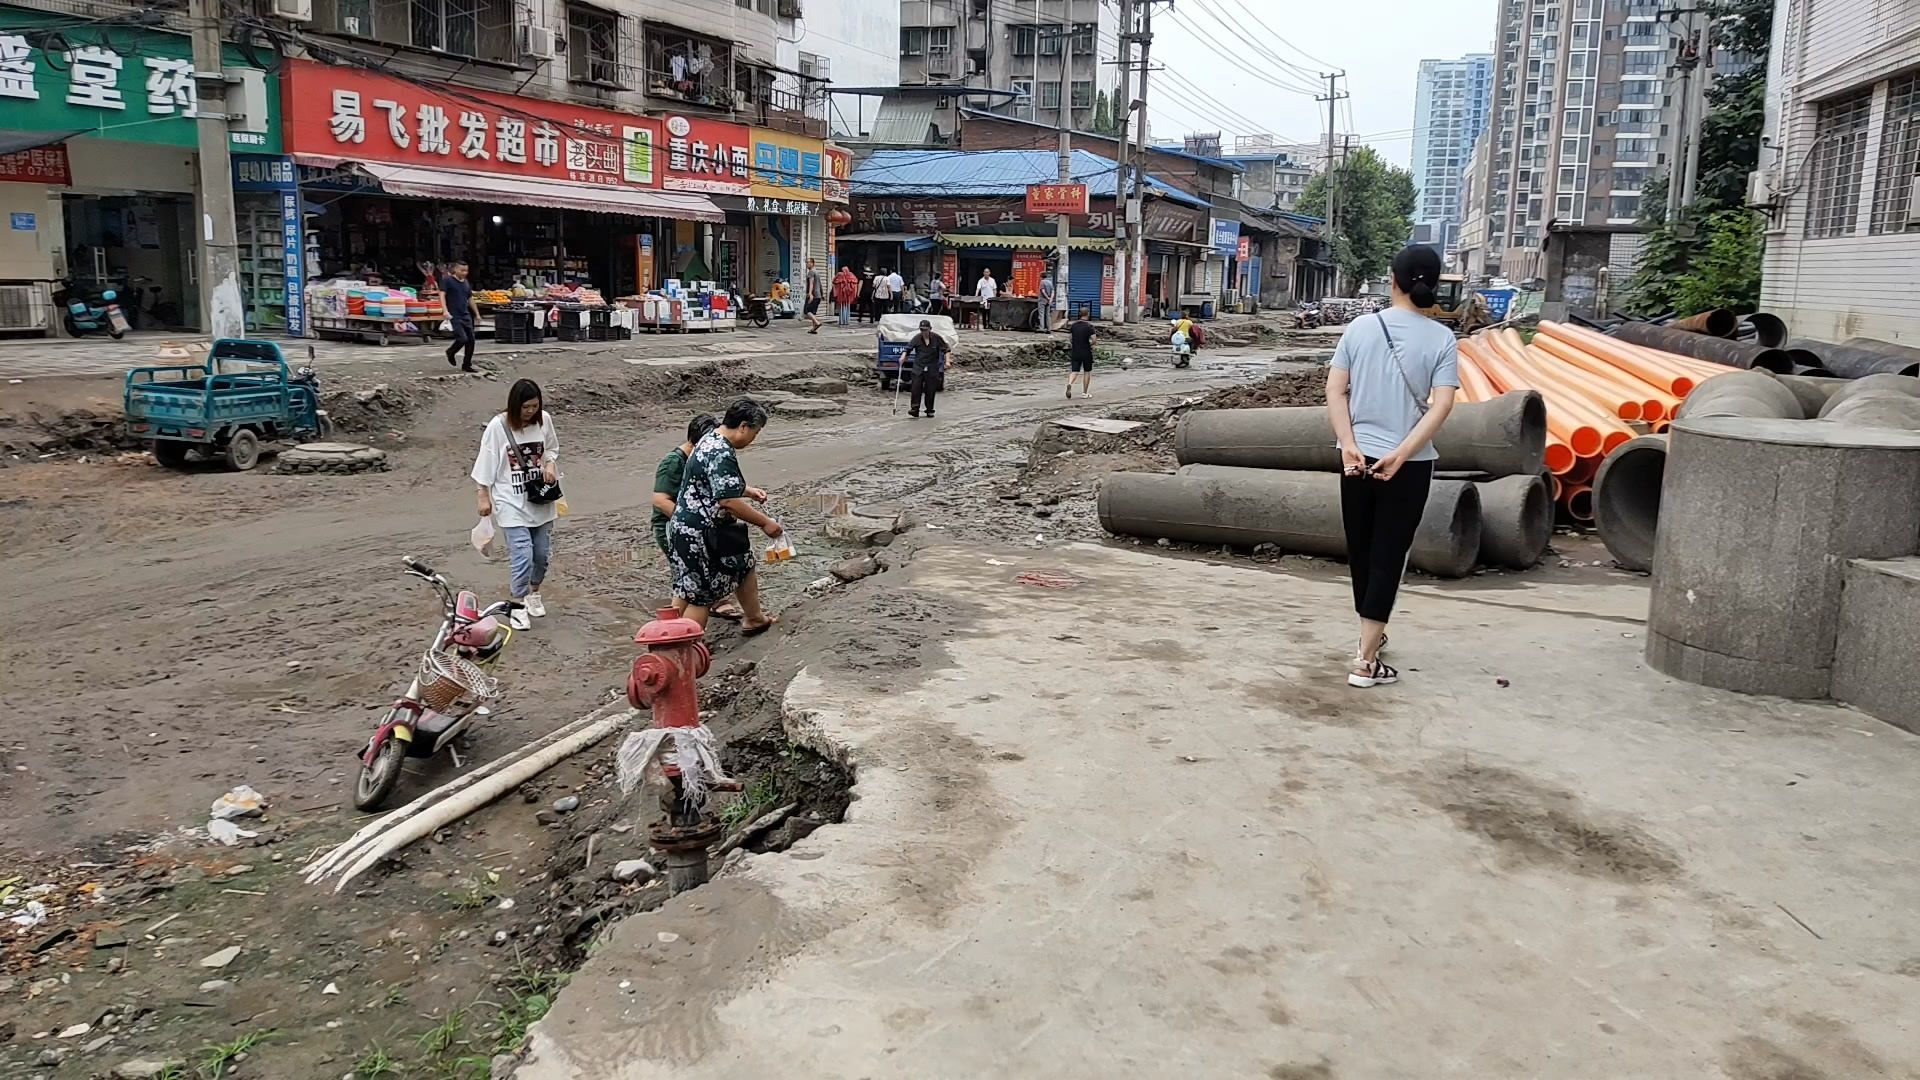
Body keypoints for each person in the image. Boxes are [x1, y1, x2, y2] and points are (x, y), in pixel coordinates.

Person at [1328, 244, 1460, 689]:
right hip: (1409, 464)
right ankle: (1365, 660)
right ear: (1433, 284)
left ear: (1392, 278)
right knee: (1389, 555)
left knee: (1362, 552)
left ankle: (1371, 638)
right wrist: (1403, 453)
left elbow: (1335, 392)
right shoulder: (1442, 339)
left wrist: (1348, 445)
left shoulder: (1360, 329)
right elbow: (1441, 406)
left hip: (1356, 461)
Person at [665, 399, 782, 633]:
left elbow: (715, 482)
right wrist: (765, 523)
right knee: (702, 595)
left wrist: (747, 490)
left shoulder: (709, 438)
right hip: (702, 533)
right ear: (743, 427)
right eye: (755, 433)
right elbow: (727, 501)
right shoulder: (721, 451)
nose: (753, 439)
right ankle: (682, 648)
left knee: (696, 582)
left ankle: (666, 631)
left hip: (682, 528)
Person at [472, 379, 560, 631]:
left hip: (540, 499)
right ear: (514, 406)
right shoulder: (498, 427)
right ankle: (517, 604)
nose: (531, 412)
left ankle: (534, 593)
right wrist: (483, 495)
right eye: (525, 407)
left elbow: (552, 449)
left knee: (541, 555)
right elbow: (485, 463)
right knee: (522, 554)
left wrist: (550, 464)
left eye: (534, 406)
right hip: (510, 500)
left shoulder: (544, 420)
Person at [651, 414, 743, 621]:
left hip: (693, 523)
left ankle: (700, 608)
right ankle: (684, 620)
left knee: (698, 570)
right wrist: (690, 522)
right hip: (671, 525)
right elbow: (659, 500)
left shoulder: (701, 456)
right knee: (689, 574)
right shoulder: (673, 463)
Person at [442, 260, 480, 372]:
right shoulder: (448, 281)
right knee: (462, 338)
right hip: (454, 315)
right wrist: (445, 311)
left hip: (465, 315)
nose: (464, 273)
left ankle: (467, 364)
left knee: (471, 340)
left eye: (466, 270)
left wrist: (477, 314)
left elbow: (470, 298)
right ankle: (451, 352)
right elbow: (442, 295)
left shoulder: (466, 283)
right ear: (455, 270)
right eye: (462, 270)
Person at [906, 318, 948, 419]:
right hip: (919, 366)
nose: (923, 332)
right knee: (916, 387)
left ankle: (929, 410)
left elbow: (946, 349)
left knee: (930, 389)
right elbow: (908, 349)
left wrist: (948, 361)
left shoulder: (936, 338)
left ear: (930, 329)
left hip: (932, 366)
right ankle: (914, 409)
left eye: (925, 330)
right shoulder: (917, 338)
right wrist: (903, 356)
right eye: (921, 330)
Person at [1067, 306, 1096, 399]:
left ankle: (1070, 384)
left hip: (1075, 351)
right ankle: (1084, 393)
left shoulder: (1074, 325)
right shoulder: (1089, 326)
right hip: (1086, 351)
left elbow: (1070, 338)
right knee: (1087, 371)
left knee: (1074, 370)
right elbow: (1094, 340)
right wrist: (1090, 345)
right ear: (1088, 314)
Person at [803, 258, 823, 334]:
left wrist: (810, 293)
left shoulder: (811, 272)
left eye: (808, 262)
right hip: (818, 296)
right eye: (806, 262)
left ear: (812, 263)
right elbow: (820, 284)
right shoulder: (816, 272)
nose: (807, 264)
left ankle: (817, 323)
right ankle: (814, 329)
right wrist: (822, 294)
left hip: (813, 295)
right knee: (813, 313)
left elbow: (811, 283)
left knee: (806, 311)